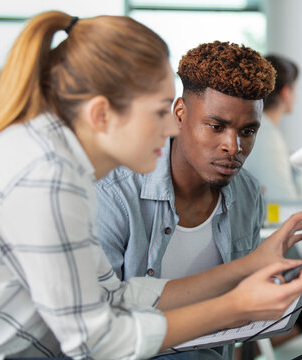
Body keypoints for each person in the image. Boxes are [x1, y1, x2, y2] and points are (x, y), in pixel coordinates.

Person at [0, 11, 302, 359]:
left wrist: (250, 266)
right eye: (160, 112)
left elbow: (115, 296)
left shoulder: (54, 161)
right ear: (102, 114)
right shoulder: (46, 178)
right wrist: (234, 307)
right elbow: (95, 342)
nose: (170, 128)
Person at [95, 40, 277, 359]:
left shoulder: (248, 194)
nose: (232, 147)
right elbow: (96, 320)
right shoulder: (115, 191)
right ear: (180, 113)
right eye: (216, 126)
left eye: (248, 132)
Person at [243, 54, 301, 201]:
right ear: (286, 92)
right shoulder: (267, 137)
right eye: (295, 89)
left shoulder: (258, 131)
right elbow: (282, 199)